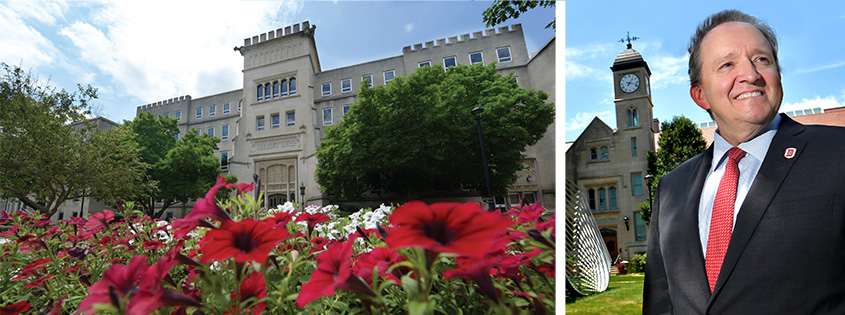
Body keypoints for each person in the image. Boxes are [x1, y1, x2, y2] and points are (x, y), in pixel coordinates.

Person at [643, 9, 845, 314]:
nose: (750, 75)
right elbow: (661, 304)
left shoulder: (837, 152)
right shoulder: (671, 188)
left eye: (762, 60)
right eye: (727, 65)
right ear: (700, 95)